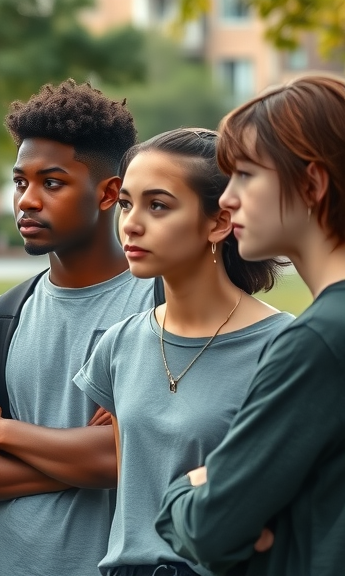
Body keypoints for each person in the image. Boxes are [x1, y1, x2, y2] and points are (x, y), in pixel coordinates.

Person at [0, 80, 146, 576]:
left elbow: (129, 457)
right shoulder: (1, 318)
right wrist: (81, 456)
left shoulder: (161, 305)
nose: (27, 201)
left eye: (51, 183)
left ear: (108, 193)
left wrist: (2, 431)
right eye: (20, 182)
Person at [72, 128, 293, 576]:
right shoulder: (119, 344)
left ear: (219, 222)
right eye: (126, 203)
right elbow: (129, 485)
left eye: (158, 205)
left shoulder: (283, 348)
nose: (131, 223)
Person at [155, 74, 345, 576]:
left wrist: (189, 486)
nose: (226, 199)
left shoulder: (318, 342)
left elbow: (210, 529)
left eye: (246, 175)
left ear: (312, 183)